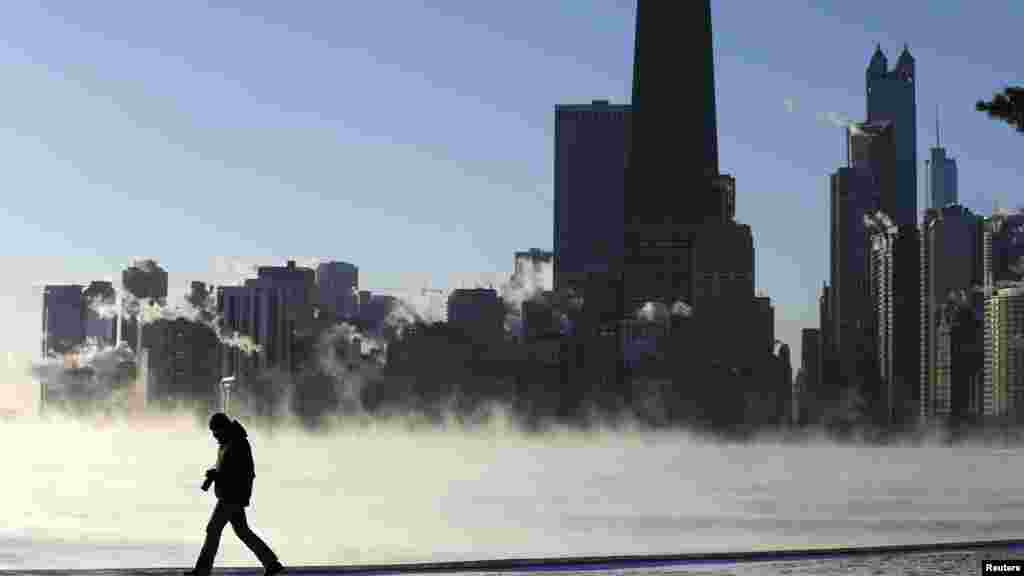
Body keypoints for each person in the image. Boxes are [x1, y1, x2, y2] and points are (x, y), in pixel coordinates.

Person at [186, 412, 285, 576]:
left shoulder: (238, 444)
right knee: (242, 531)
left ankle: (203, 571)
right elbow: (228, 468)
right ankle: (271, 563)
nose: (214, 436)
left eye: (216, 432)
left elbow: (240, 473)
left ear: (223, 429)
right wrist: (216, 473)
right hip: (231, 495)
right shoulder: (228, 442)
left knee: (213, 529)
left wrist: (217, 475)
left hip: (231, 496)